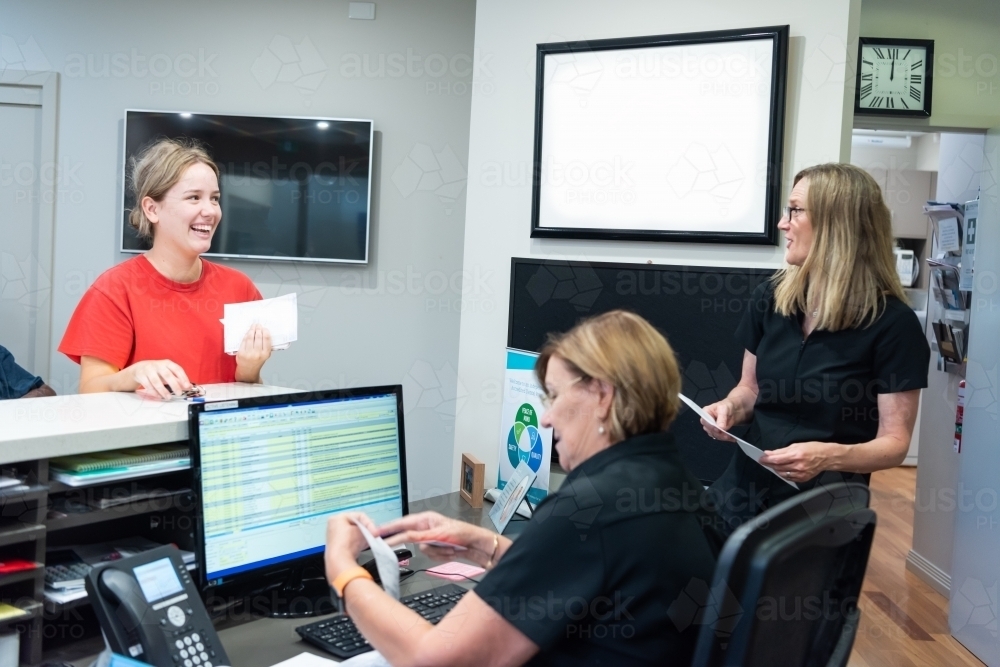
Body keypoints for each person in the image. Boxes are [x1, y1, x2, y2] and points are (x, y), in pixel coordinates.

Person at [325, 311, 722, 667]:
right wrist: (485, 546)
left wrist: (343, 569)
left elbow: (438, 661)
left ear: (602, 395)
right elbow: (590, 576)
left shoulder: (590, 509)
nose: (546, 419)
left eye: (554, 395)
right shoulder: (675, 484)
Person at [701, 163, 930, 532]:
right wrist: (728, 408)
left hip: (820, 513)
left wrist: (828, 456)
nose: (782, 223)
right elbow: (750, 390)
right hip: (741, 492)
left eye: (795, 210)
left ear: (834, 224)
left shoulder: (893, 325)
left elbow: (894, 444)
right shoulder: (770, 299)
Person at [59, 139, 272, 398]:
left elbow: (249, 396)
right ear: (152, 209)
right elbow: (90, 390)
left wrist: (249, 372)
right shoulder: (115, 289)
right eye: (194, 197)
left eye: (214, 199)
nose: (210, 211)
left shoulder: (240, 288)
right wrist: (135, 373)